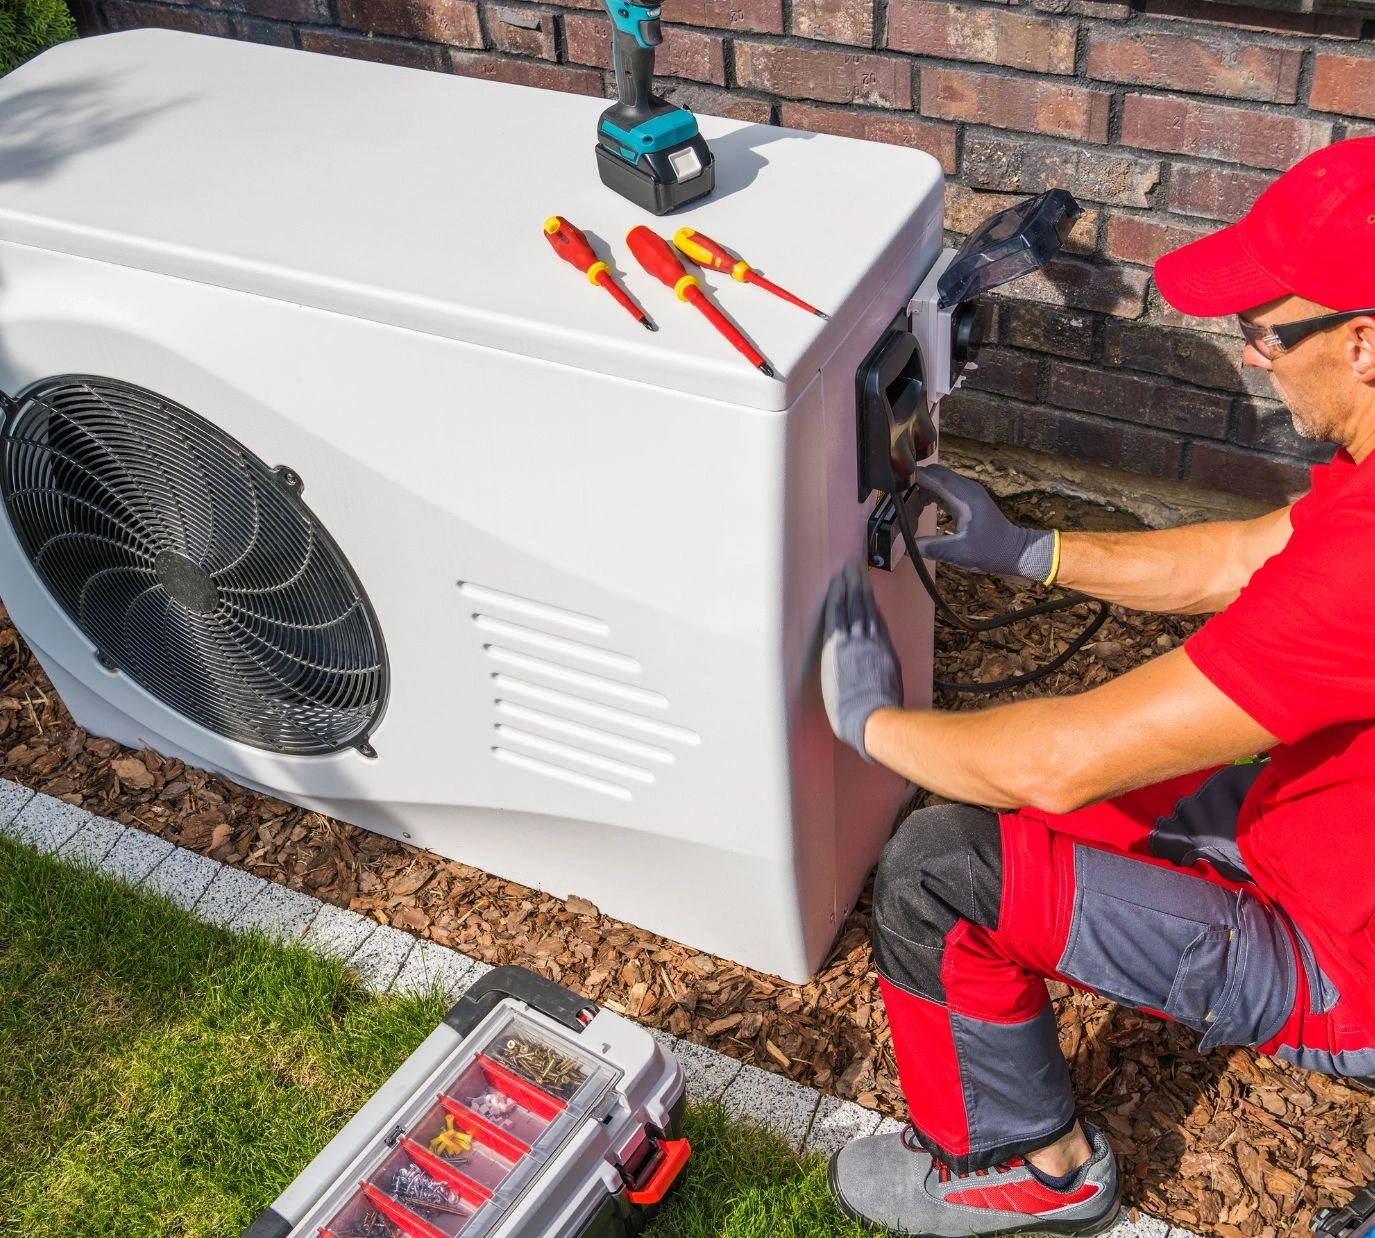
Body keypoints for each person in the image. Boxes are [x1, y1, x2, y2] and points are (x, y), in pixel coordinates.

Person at [819, 135, 1375, 1237]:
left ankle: (1026, 1168)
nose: (1254, 357)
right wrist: (1030, 550)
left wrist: (866, 723)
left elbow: (1055, 761)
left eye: (1265, 331)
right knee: (1030, 802)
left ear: (1363, 343)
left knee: (938, 867)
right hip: (1314, 834)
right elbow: (1236, 557)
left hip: (1340, 959)